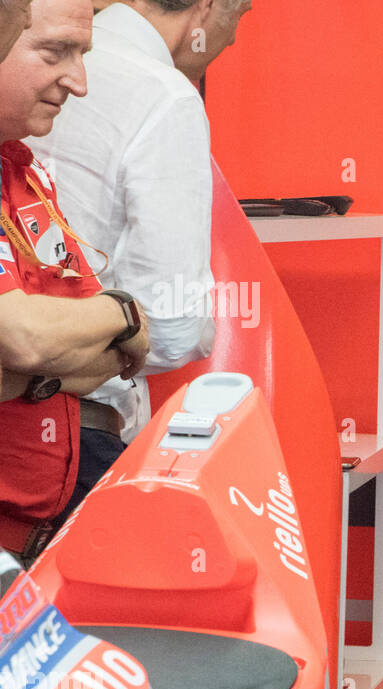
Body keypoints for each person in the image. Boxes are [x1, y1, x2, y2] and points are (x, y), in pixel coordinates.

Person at [27, 0, 250, 516]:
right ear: (209, 8)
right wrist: (115, 327)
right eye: (244, 14)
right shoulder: (164, 95)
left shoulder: (53, 78)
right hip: (69, 442)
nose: (75, 82)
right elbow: (172, 327)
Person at [0, 0, 151, 562]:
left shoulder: (25, 172)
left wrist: (32, 375)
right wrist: (127, 309)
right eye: (55, 51)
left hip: (42, 541)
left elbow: (108, 360)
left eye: (82, 53)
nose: (79, 82)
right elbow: (27, 337)